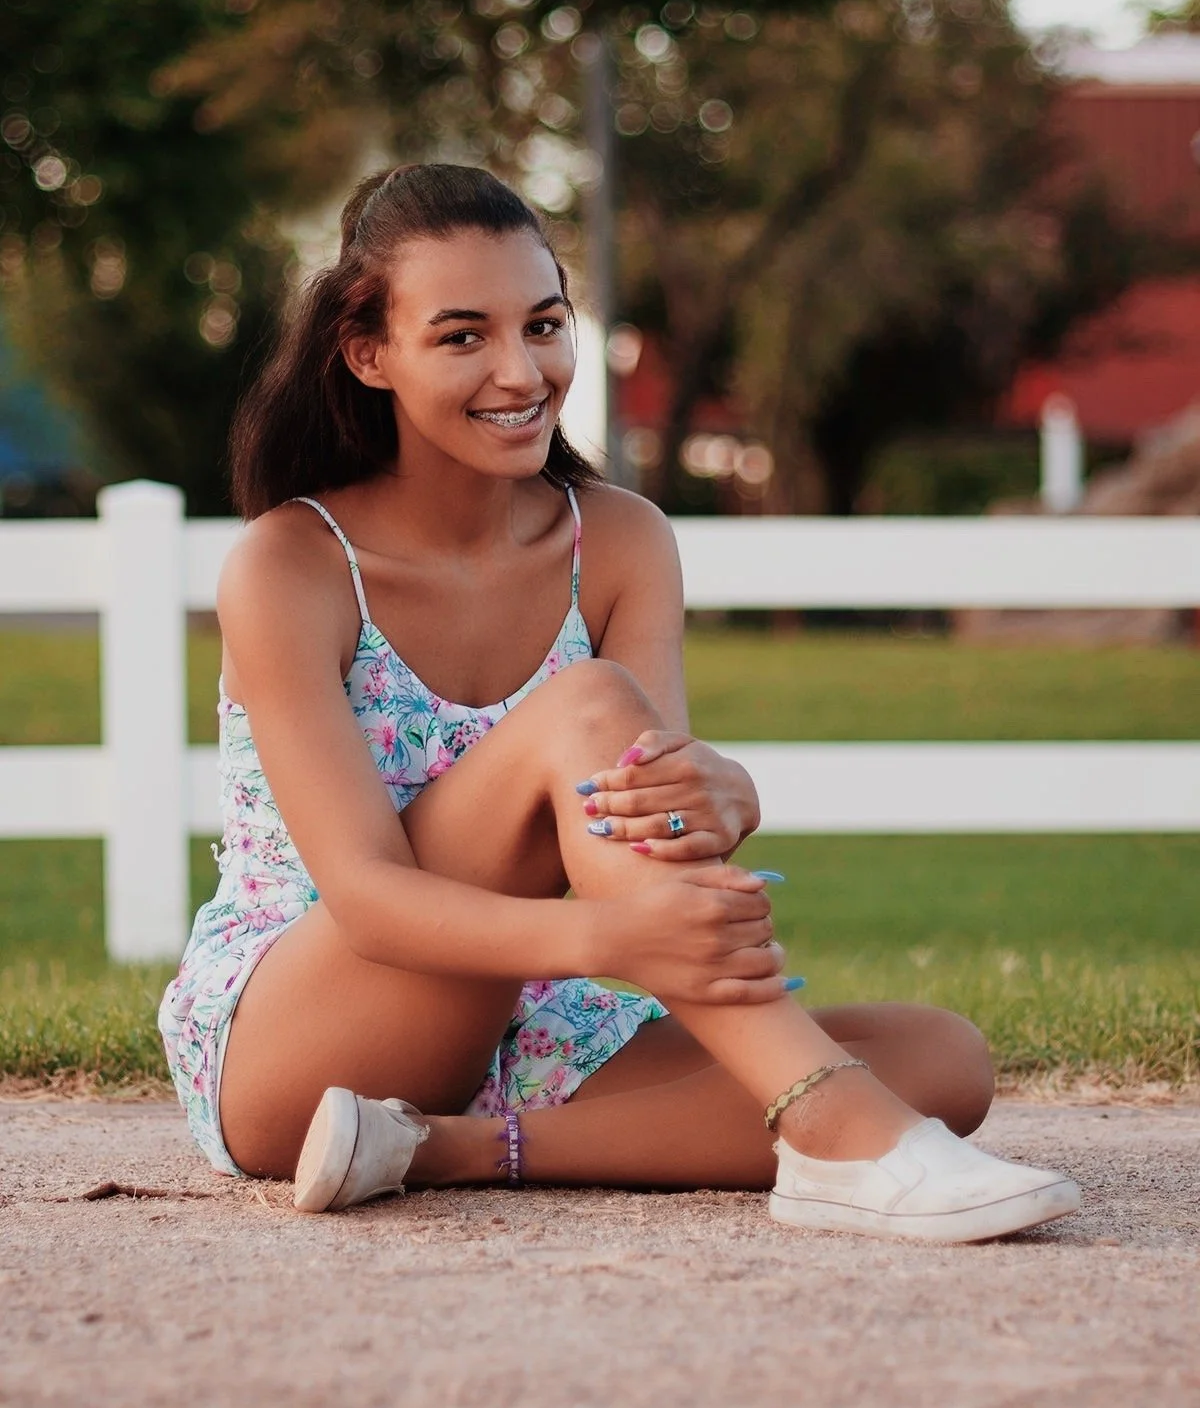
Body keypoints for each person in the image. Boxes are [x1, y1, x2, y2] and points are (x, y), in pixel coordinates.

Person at [158, 163, 1080, 1242]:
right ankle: (838, 1137)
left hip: (539, 1017)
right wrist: (609, 935)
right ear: (370, 355)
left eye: (545, 325)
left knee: (942, 1061)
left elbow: (649, 800)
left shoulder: (621, 539)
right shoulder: (292, 564)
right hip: (307, 1033)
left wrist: (723, 799)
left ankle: (440, 1147)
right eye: (463, 337)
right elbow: (364, 896)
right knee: (587, 702)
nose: (520, 370)